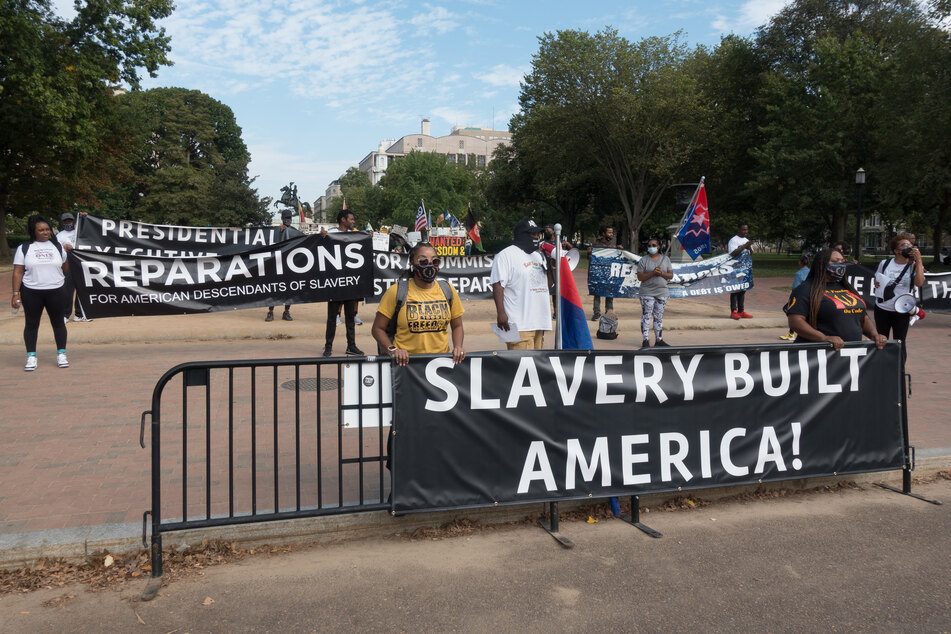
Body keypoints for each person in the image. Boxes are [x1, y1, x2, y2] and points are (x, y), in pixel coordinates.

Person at [371, 243, 465, 367]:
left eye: (435, 261)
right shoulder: (396, 291)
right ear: (412, 263)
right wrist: (393, 350)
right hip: (406, 366)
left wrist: (458, 347)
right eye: (423, 261)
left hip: (439, 365)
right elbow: (377, 329)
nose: (430, 265)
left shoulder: (448, 290)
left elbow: (457, 326)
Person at [784, 248, 886, 351]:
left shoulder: (847, 288)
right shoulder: (805, 289)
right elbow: (795, 321)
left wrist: (874, 335)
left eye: (842, 261)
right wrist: (824, 338)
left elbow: (862, 317)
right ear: (822, 263)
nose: (840, 265)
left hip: (849, 354)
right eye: (834, 261)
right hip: (820, 355)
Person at [11, 215, 71, 371]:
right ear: (34, 232)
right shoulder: (24, 248)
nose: (46, 232)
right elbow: (18, 272)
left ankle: (61, 354)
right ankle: (31, 357)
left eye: (47, 230)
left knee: (58, 322)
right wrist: (15, 293)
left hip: (56, 290)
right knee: (31, 324)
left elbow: (66, 269)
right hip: (32, 292)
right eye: (41, 230)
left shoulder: (57, 247)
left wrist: (69, 253)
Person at [490, 219, 552, 350]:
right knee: (521, 367)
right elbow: (498, 285)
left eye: (538, 235)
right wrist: (501, 313)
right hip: (519, 323)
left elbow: (547, 285)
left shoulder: (538, 255)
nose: (537, 238)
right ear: (522, 235)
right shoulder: (506, 255)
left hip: (538, 322)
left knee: (535, 368)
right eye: (533, 235)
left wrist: (552, 263)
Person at [873, 234, 925, 362]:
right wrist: (877, 282)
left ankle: (899, 371)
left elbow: (919, 283)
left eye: (910, 245)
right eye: (904, 245)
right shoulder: (885, 264)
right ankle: (880, 366)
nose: (909, 247)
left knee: (900, 342)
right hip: (882, 308)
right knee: (881, 339)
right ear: (896, 251)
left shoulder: (914, 265)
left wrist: (919, 261)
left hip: (902, 310)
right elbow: (877, 278)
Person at [324, 209, 363, 356]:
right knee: (332, 317)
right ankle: (328, 346)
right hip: (335, 282)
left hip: (351, 282)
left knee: (350, 316)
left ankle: (351, 346)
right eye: (351, 219)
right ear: (343, 220)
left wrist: (368, 237)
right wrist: (322, 237)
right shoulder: (332, 233)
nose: (353, 222)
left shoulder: (356, 234)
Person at [636, 237, 673, 348]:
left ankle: (659, 340)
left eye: (654, 245)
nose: (651, 247)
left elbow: (670, 275)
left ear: (659, 247)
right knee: (647, 315)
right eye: (649, 245)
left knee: (658, 316)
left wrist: (661, 273)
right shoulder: (644, 260)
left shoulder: (665, 259)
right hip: (647, 292)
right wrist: (652, 273)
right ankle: (645, 340)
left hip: (662, 292)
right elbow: (640, 277)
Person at [55, 212, 92, 323]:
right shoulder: (59, 236)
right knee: (67, 291)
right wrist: (65, 247)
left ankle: (79, 314)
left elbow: (90, 230)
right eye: (66, 221)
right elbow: (58, 250)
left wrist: (85, 218)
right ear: (62, 222)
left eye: (70, 221)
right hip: (68, 265)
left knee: (81, 290)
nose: (68, 223)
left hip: (80, 264)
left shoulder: (79, 233)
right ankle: (65, 315)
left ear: (73, 221)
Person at [265, 209, 295, 322]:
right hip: (276, 264)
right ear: (282, 218)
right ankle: (270, 312)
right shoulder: (275, 231)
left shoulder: (294, 231)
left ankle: (286, 312)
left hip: (289, 265)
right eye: (286, 218)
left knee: (289, 289)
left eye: (290, 218)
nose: (288, 220)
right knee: (273, 288)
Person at [780, 253, 811, 340]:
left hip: (800, 297)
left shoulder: (798, 274)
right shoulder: (811, 272)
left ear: (800, 263)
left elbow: (795, 288)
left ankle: (791, 333)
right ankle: (792, 333)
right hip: (810, 295)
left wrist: (791, 299)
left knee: (789, 311)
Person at [727, 223, 754, 319]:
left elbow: (750, 253)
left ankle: (741, 311)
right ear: (738, 229)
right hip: (735, 269)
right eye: (743, 230)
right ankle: (733, 311)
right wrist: (744, 246)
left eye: (746, 230)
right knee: (735, 290)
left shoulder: (746, 240)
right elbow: (733, 253)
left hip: (745, 269)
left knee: (742, 290)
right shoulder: (733, 240)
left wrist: (749, 247)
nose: (745, 232)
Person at [589, 225, 615, 321]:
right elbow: (590, 259)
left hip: (610, 273)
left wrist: (620, 250)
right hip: (598, 273)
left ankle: (609, 312)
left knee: (610, 293)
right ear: (603, 233)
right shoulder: (596, 244)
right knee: (597, 293)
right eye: (609, 232)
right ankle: (596, 313)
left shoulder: (613, 245)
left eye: (612, 232)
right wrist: (589, 253)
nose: (611, 234)